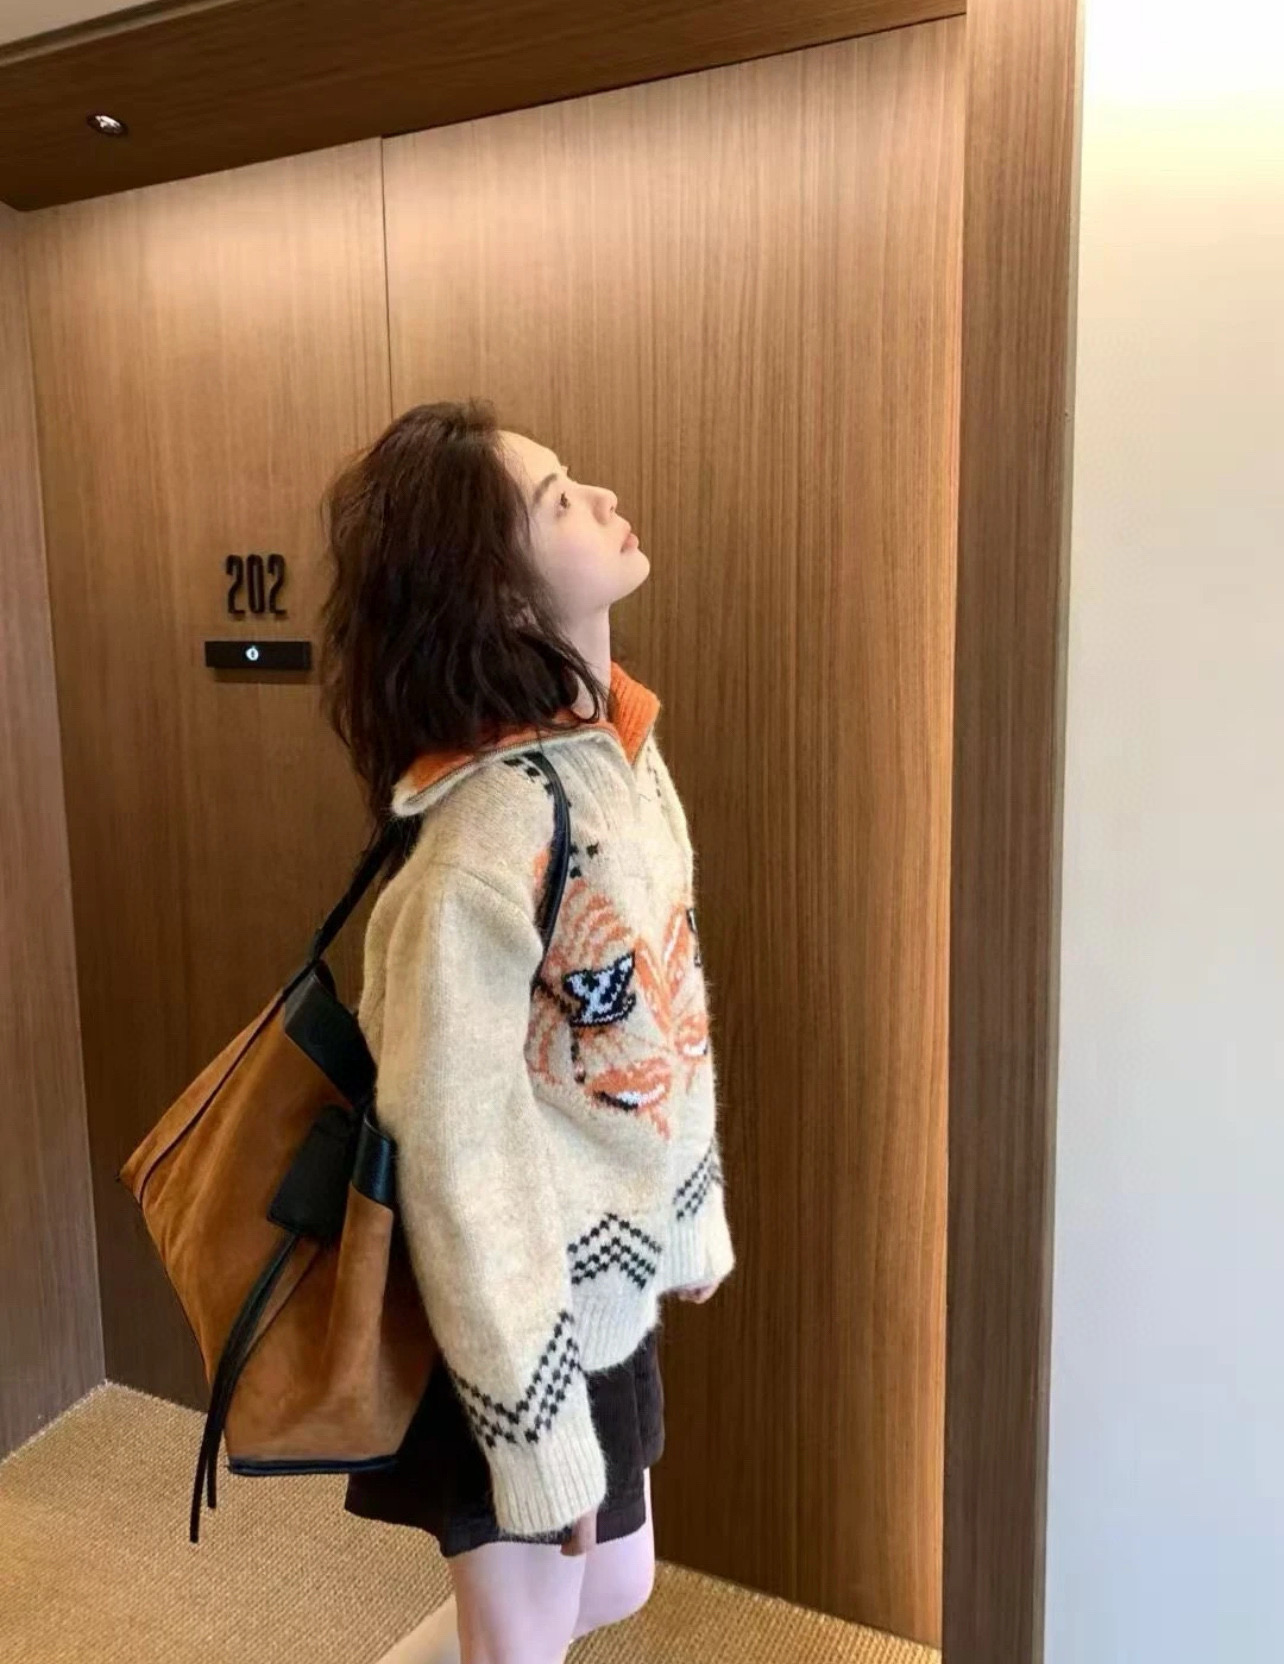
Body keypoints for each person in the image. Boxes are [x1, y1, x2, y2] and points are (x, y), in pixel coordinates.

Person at [316, 399, 736, 1664]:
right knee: (527, 1637)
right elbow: (451, 1147)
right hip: (507, 1314)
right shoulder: (487, 836)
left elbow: (667, 1003)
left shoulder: (618, 755)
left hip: (604, 1287)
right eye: (558, 501)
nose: (602, 499)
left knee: (616, 1582)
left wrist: (691, 1213)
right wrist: (534, 1427)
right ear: (501, 596)